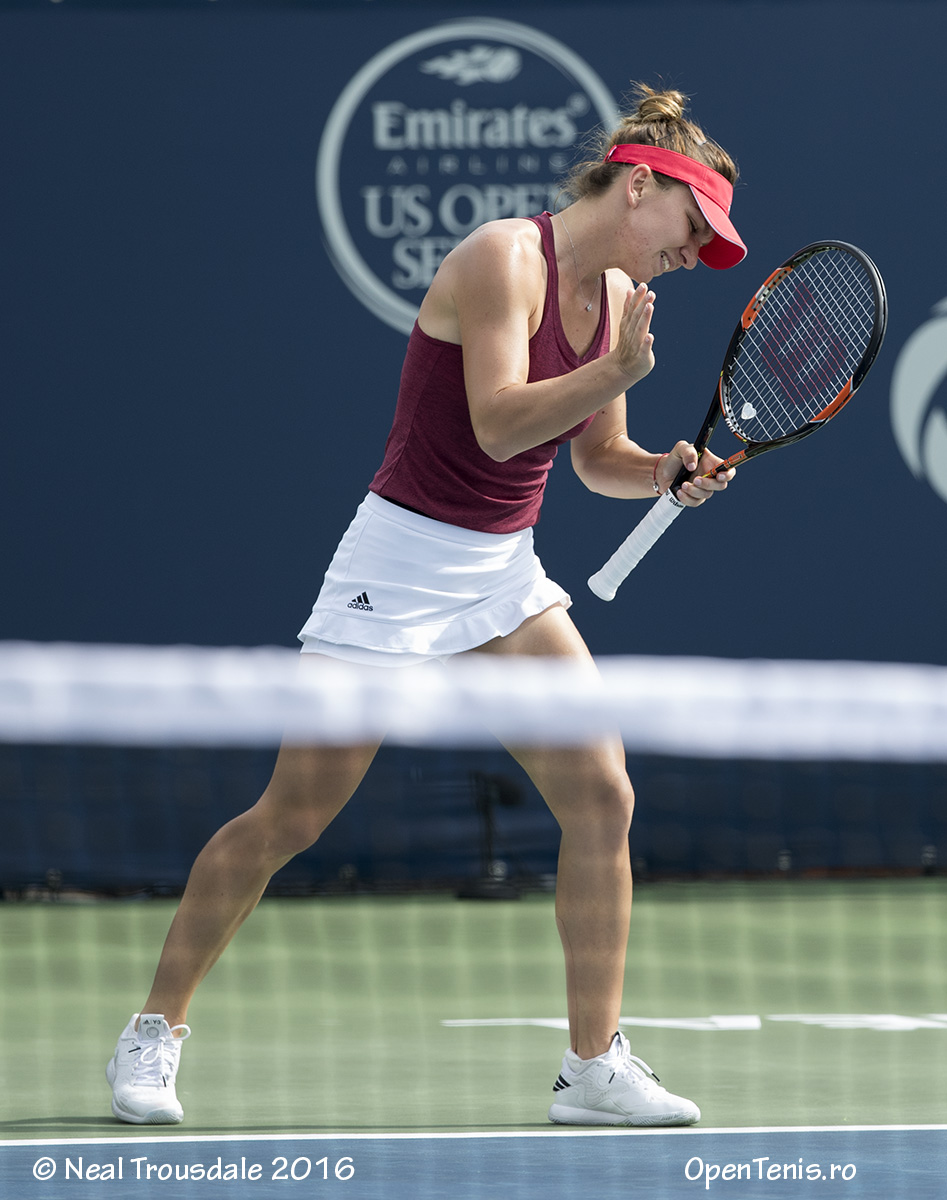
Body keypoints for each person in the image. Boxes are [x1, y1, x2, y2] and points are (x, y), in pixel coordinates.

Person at [106, 83, 746, 1128]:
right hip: (397, 565)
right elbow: (497, 425)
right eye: (693, 224)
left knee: (602, 795)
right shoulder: (504, 258)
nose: (694, 252)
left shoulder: (616, 293)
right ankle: (152, 1031)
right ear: (637, 186)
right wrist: (617, 372)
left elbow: (597, 460)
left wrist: (662, 472)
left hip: (501, 574)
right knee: (290, 817)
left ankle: (591, 1067)